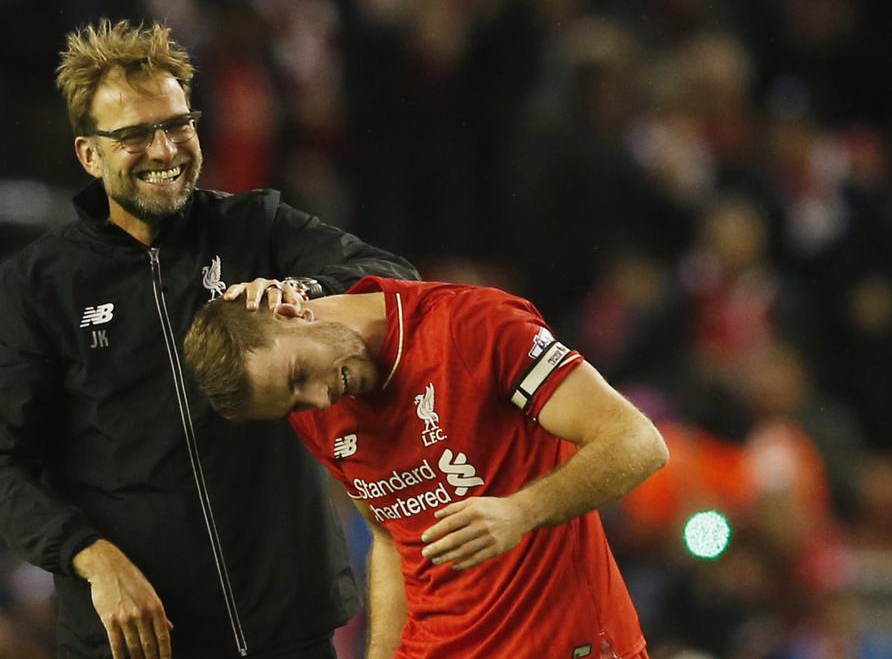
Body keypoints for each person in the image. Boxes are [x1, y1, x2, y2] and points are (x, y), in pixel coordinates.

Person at [0, 19, 417, 659]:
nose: (165, 149)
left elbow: (395, 279)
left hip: (289, 625)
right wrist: (90, 558)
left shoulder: (254, 226)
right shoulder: (38, 287)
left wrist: (306, 294)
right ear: (89, 154)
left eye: (177, 124)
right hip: (139, 640)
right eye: (134, 135)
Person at [183, 277, 669, 659]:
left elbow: (638, 441)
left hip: (559, 642)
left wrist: (522, 512)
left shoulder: (472, 327)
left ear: (293, 311)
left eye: (300, 376)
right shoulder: (317, 410)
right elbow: (390, 538)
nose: (316, 398)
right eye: (291, 404)